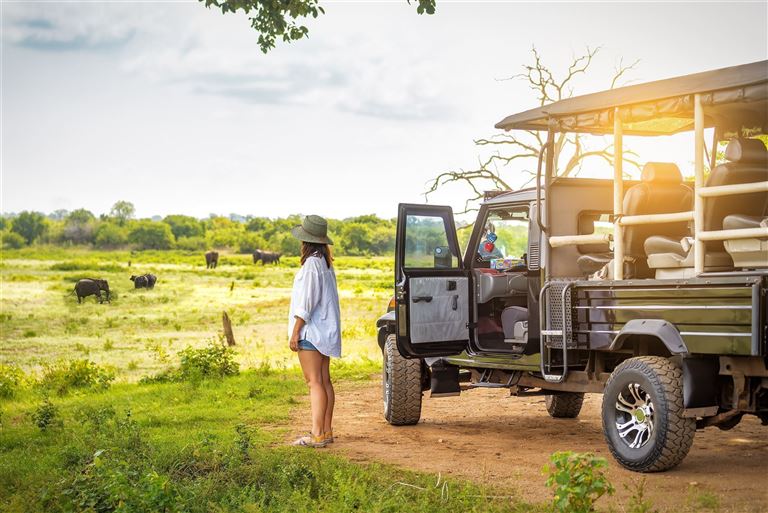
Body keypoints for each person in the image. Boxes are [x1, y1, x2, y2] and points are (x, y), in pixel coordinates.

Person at [288, 215, 341, 448]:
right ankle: (326, 431)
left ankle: (316, 434)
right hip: (325, 331)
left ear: (305, 241)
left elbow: (306, 303)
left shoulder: (311, 264)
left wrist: (295, 331)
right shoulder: (325, 262)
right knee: (324, 381)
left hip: (312, 332)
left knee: (314, 383)